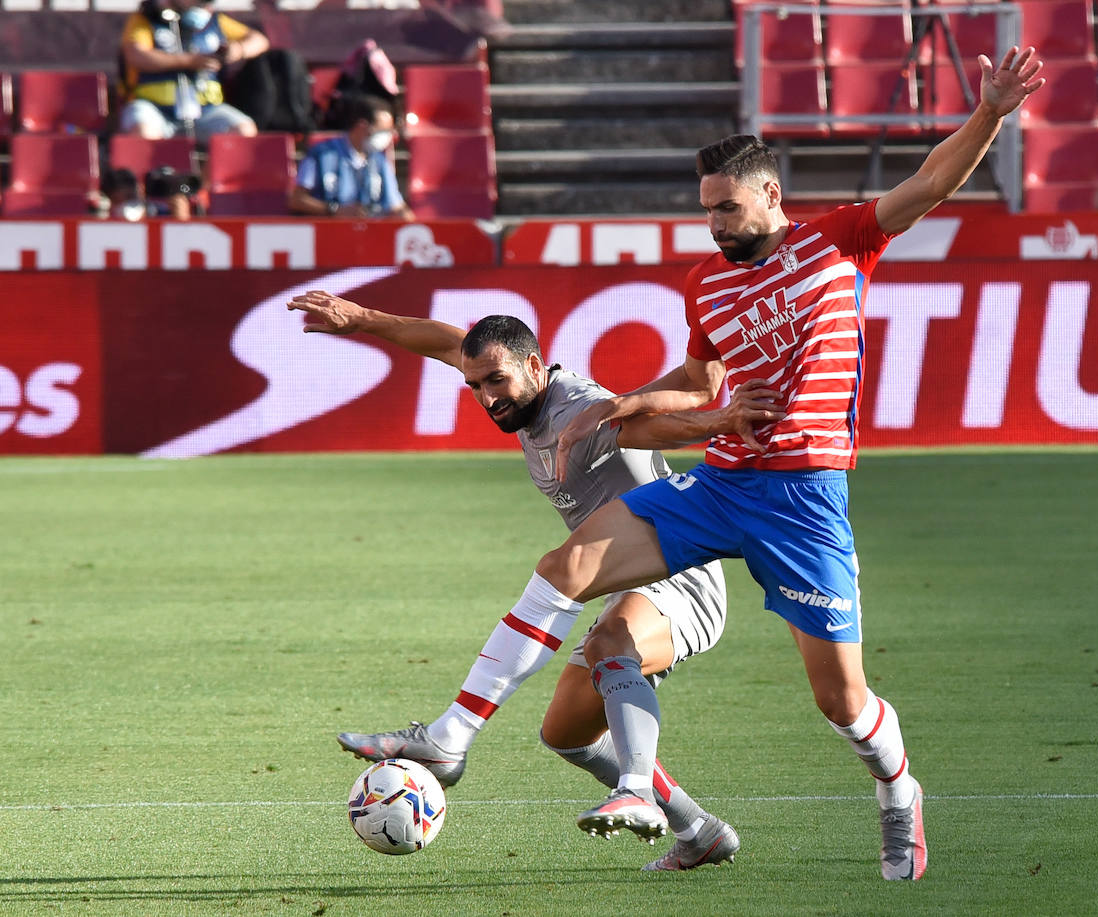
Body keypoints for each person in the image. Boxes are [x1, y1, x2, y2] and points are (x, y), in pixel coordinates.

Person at [438, 46, 1044, 882]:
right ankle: (455, 734)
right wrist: (624, 404)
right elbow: (701, 384)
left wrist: (990, 113)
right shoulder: (705, 284)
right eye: (707, 212)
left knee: (842, 701)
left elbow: (932, 182)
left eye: (727, 207)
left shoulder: (841, 240)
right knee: (565, 566)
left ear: (770, 195)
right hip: (722, 482)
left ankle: (898, 788)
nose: (716, 225)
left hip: (805, 499)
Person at [285, 295, 774, 870]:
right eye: (475, 386)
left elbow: (651, 428)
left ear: (536, 366)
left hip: (681, 575)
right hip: (625, 580)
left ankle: (630, 787)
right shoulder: (516, 392)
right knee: (567, 734)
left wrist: (721, 422)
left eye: (497, 381)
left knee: (608, 642)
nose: (488, 397)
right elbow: (443, 341)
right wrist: (365, 319)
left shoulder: (576, 411)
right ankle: (699, 831)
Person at [118, 0, 269, 141]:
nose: (202, 4)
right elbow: (136, 55)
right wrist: (190, 61)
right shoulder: (145, 20)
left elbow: (259, 40)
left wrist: (237, 50)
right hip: (154, 108)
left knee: (243, 130)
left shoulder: (214, 21)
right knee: (144, 132)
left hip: (205, 110)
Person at [289, 94, 414, 221]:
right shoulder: (321, 154)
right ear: (362, 126)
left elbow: (397, 206)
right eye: (382, 132)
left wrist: (411, 223)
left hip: (369, 230)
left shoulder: (380, 161)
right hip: (329, 229)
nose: (387, 138)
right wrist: (334, 210)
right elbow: (297, 200)